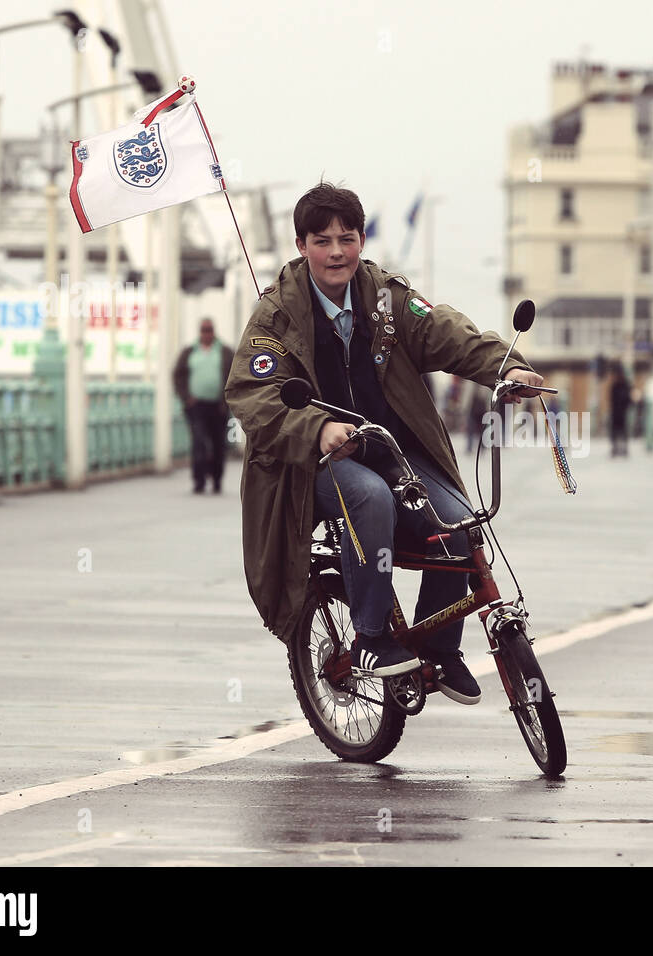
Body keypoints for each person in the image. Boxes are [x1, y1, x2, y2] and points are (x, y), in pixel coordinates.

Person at [224, 181, 544, 704]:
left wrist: (507, 369)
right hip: (316, 462)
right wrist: (318, 429)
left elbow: (447, 333)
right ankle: (371, 638)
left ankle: (441, 649)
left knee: (459, 523)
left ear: (362, 239)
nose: (336, 252)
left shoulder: (387, 299)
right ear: (302, 245)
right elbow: (252, 398)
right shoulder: (276, 316)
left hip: (391, 449)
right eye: (322, 240)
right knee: (370, 499)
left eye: (346, 238)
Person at [173, 317, 234, 493]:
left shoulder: (225, 351)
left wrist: (227, 399)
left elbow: (235, 374)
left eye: (209, 330)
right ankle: (199, 480)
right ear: (200, 332)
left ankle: (216, 479)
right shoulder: (189, 351)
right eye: (203, 330)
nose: (206, 333)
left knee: (218, 444)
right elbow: (178, 375)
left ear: (213, 331)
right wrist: (186, 397)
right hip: (196, 406)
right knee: (199, 442)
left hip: (218, 406)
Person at [609, 366, 632, 457]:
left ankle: (621, 449)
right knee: (617, 431)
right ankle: (617, 448)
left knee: (621, 431)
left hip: (621, 412)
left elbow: (628, 399)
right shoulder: (616, 386)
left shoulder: (623, 386)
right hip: (618, 412)